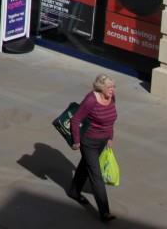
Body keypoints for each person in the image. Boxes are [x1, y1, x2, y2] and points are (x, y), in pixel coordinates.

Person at [67, 73, 119, 222]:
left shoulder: (111, 97)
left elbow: (110, 119)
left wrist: (110, 137)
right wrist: (76, 141)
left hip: (102, 141)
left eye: (114, 86)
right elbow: (76, 119)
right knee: (96, 176)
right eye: (109, 87)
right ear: (101, 87)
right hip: (88, 142)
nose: (113, 90)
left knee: (86, 165)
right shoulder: (91, 100)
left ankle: (74, 191)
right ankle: (104, 212)